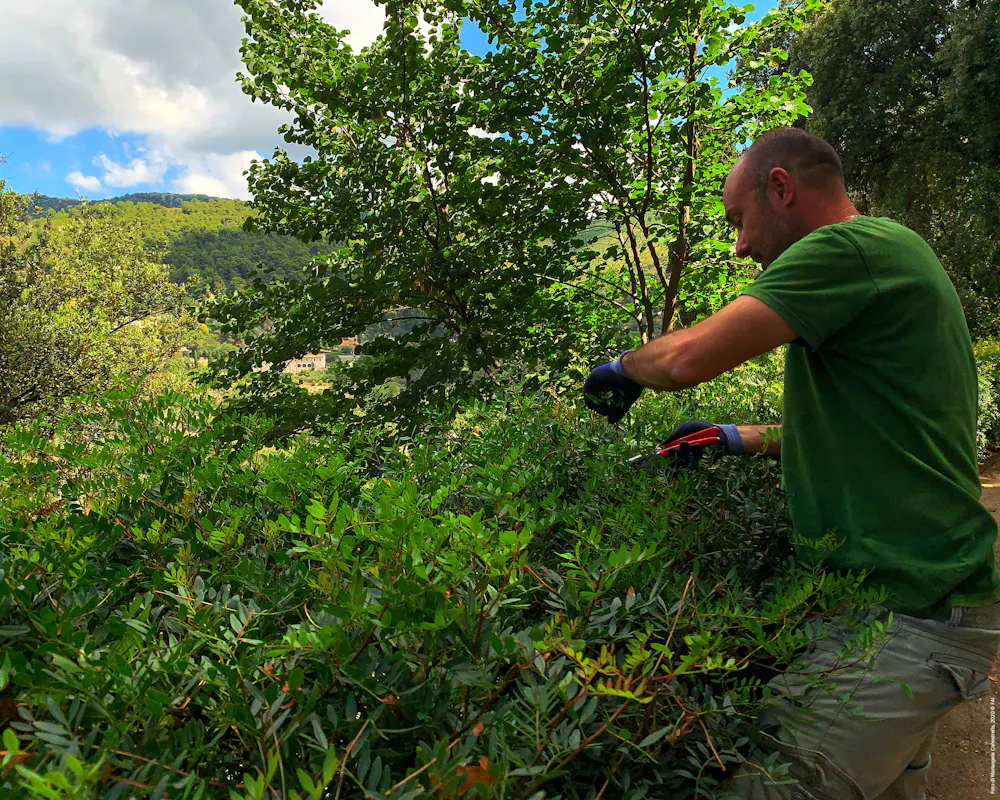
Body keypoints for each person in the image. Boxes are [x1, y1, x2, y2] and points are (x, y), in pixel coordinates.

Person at [583, 128, 1000, 799]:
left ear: (780, 188)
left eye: (738, 220)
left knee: (763, 786)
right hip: (913, 604)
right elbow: (878, 423)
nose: (738, 245)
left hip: (906, 616)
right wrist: (737, 437)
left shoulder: (847, 248)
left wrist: (625, 367)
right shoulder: (890, 253)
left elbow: (687, 359)